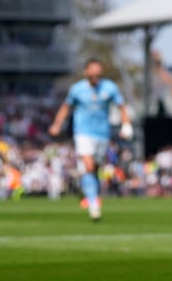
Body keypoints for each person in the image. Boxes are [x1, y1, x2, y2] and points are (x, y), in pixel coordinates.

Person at [48, 58, 133, 221]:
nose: (95, 75)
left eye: (97, 72)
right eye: (92, 72)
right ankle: (94, 205)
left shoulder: (110, 87)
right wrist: (57, 125)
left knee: (95, 169)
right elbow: (66, 107)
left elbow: (121, 106)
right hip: (83, 132)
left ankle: (85, 188)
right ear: (86, 72)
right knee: (88, 165)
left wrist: (126, 124)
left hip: (102, 133)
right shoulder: (77, 89)